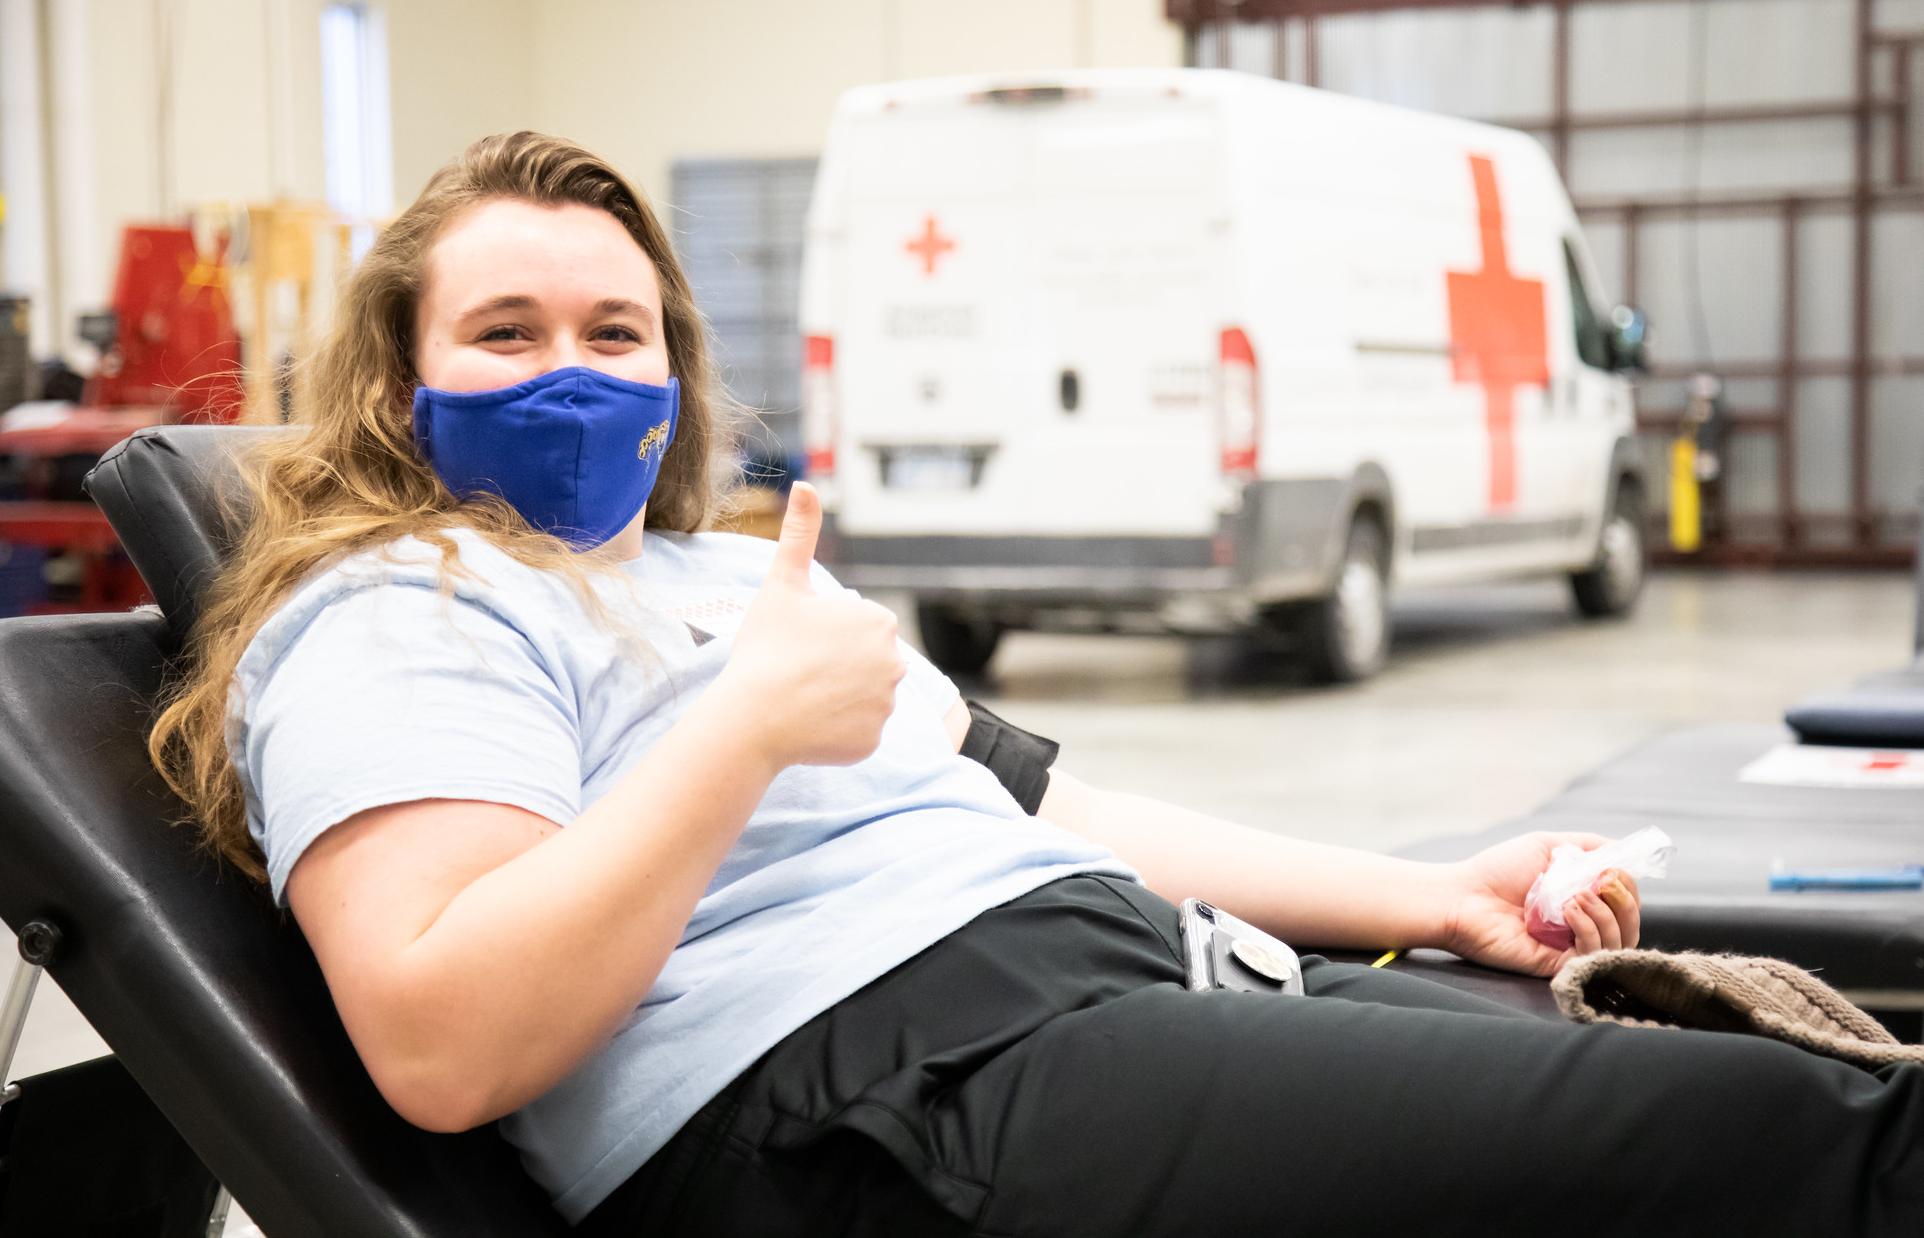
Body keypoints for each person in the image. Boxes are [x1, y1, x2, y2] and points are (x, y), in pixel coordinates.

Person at [149, 132, 1922, 1237]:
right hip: (870, 1104)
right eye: (506, 332)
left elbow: (1052, 808)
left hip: (1099, 989)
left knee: (1778, 1084)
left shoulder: (715, 577)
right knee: (1793, 1148)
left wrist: (1437, 903)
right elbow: (444, 1038)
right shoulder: (403, 603)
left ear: (678, 370)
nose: (575, 372)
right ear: (400, 381)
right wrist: (745, 724)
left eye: (617, 334)